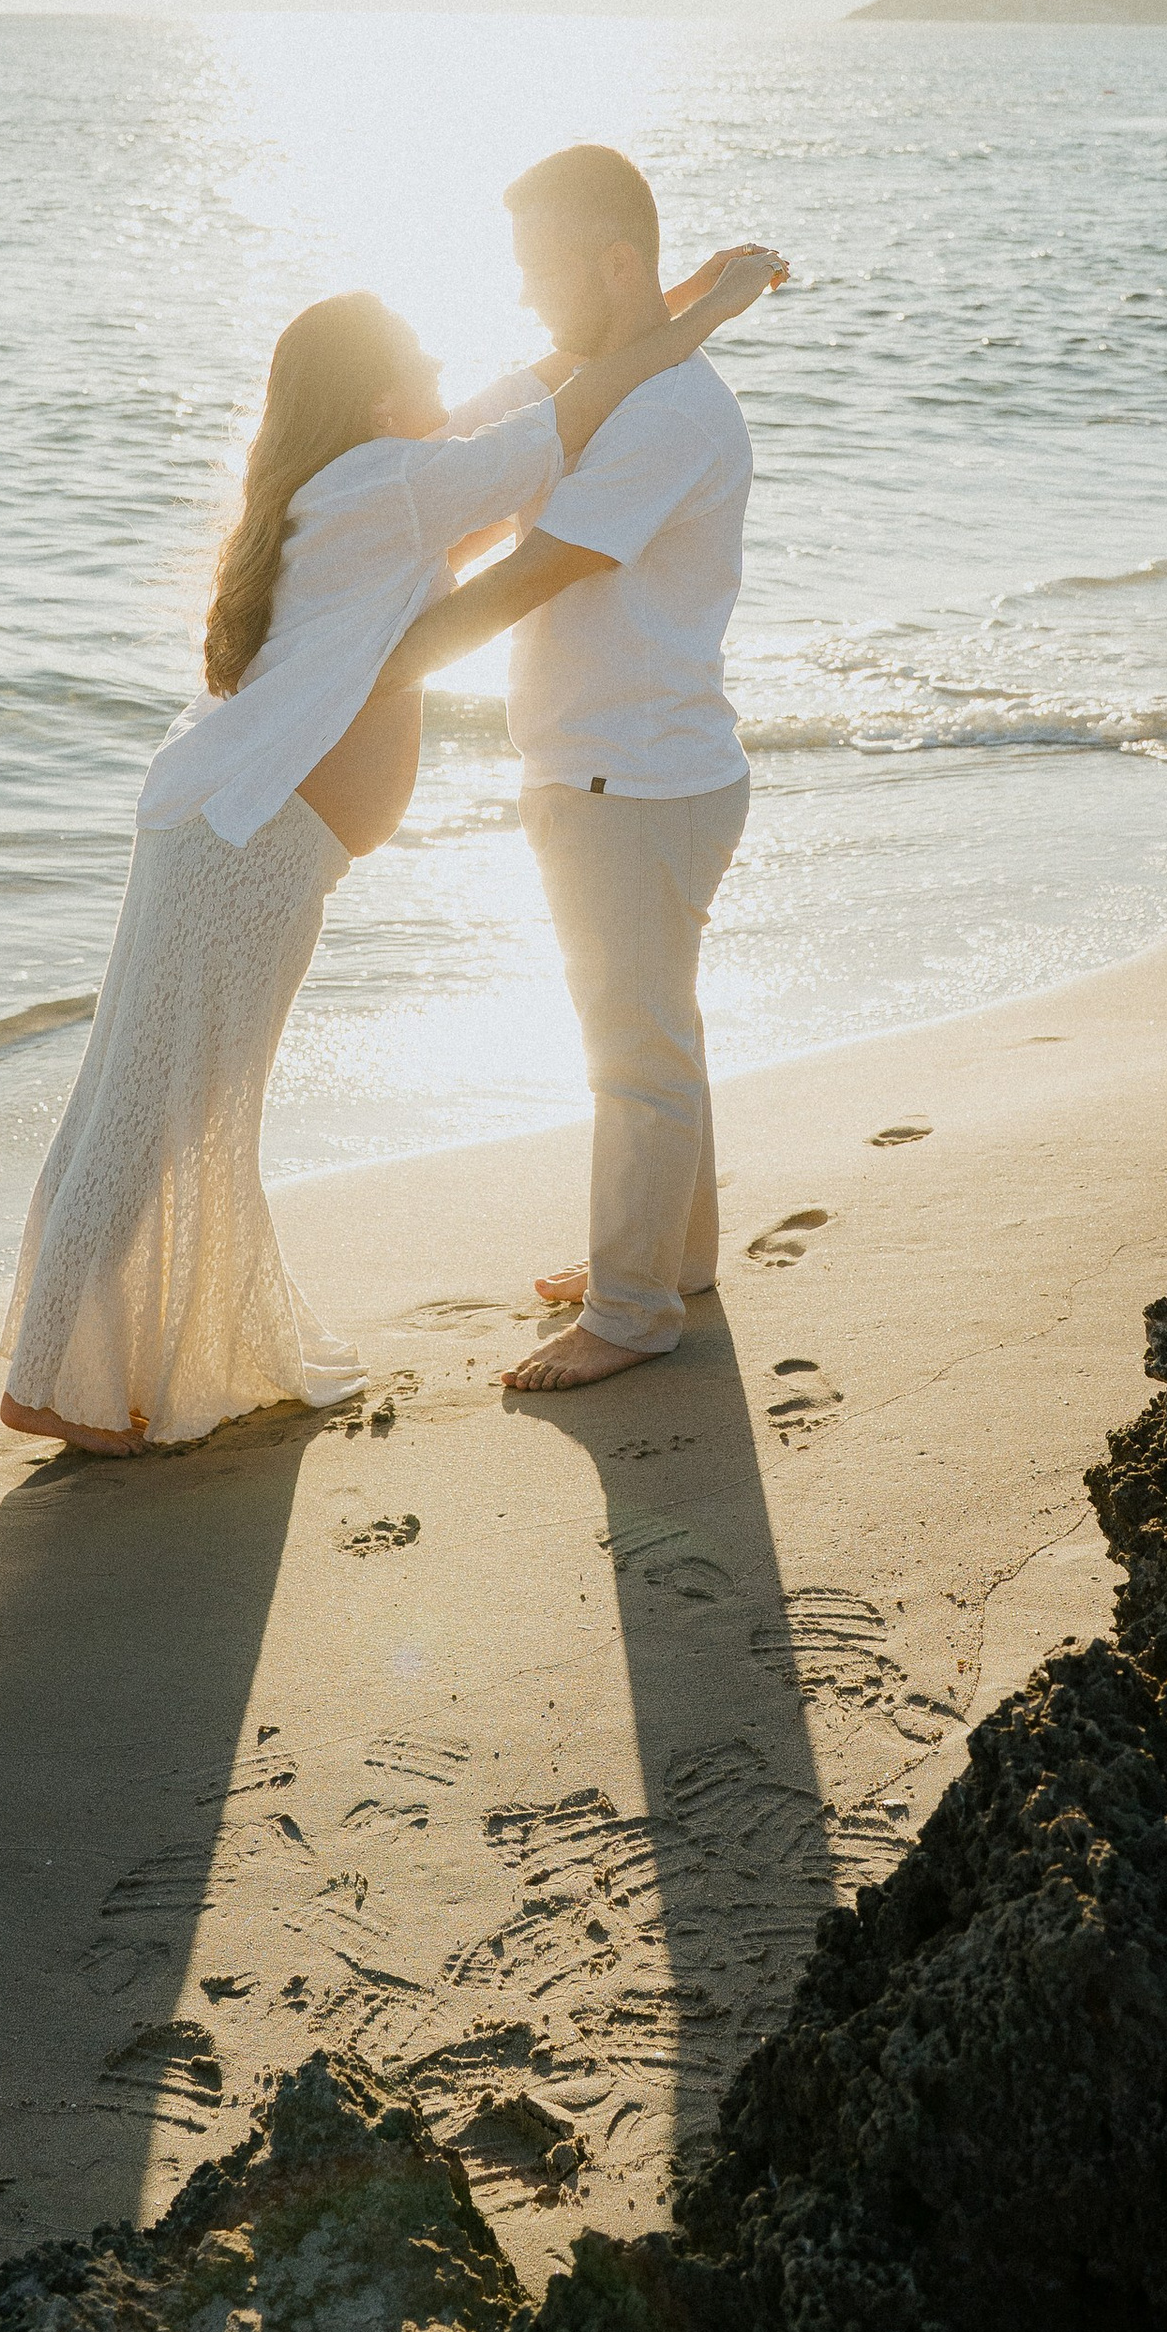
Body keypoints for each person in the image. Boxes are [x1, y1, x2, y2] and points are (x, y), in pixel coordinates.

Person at [0, 239, 784, 1456]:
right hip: (241, 843)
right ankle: (48, 1382)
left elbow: (534, 388)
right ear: (377, 396)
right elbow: (573, 406)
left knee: (159, 1095)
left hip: (232, 833)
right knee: (163, 1107)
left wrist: (668, 298)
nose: (446, 373)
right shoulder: (395, 485)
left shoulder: (377, 472)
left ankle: (87, 1359)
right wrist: (718, 309)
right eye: (423, 361)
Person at [373, 144, 771, 1394]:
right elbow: (498, 421)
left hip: (632, 780)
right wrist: (695, 304)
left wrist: (362, 670)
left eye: (545, 272)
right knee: (660, 1033)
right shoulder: (629, 379)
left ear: (612, 262)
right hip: (646, 768)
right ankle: (672, 1257)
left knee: (633, 1052)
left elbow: (533, 572)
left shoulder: (668, 414)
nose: (531, 299)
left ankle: (633, 1308)